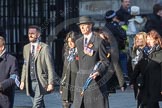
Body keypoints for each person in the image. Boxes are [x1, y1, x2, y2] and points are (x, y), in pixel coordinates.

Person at [73, 16, 111, 108]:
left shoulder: (99, 41)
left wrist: (98, 71)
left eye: (84, 25)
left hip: (94, 80)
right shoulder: (78, 42)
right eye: (80, 26)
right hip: (81, 81)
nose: (82, 28)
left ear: (90, 26)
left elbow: (105, 61)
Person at [20, 25, 55, 108]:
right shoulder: (26, 48)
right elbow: (25, 65)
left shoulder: (44, 48)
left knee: (36, 105)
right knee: (39, 105)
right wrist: (22, 81)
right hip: (30, 81)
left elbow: (50, 67)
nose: (30, 35)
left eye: (32, 33)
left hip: (41, 81)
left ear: (38, 35)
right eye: (29, 33)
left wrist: (50, 83)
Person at [128, 32, 148, 108]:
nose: (138, 41)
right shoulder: (132, 51)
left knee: (147, 101)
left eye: (140, 39)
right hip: (136, 79)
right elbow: (129, 66)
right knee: (139, 100)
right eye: (136, 39)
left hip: (147, 79)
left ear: (145, 40)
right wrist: (132, 81)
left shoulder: (149, 50)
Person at [60, 31, 79, 108]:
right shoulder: (67, 53)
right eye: (68, 41)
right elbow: (64, 70)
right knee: (65, 104)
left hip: (77, 82)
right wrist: (61, 86)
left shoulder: (80, 52)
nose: (70, 43)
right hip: (67, 82)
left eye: (72, 41)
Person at [143, 30, 162, 108]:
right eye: (147, 39)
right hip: (149, 85)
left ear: (156, 40)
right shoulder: (148, 52)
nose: (147, 41)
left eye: (150, 39)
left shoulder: (159, 52)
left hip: (157, 85)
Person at [0, 36, 19, 108]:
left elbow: (14, 78)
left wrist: (1, 86)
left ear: (1, 48)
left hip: (4, 97)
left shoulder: (11, 59)